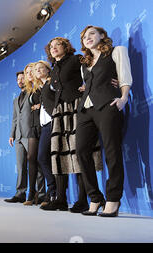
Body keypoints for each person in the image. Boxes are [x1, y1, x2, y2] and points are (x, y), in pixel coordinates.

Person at [41, 37, 102, 212]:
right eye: (50, 46)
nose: (53, 48)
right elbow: (50, 94)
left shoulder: (76, 59)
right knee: (59, 155)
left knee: (78, 153)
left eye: (57, 45)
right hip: (60, 113)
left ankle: (83, 200)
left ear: (66, 47)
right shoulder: (53, 69)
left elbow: (92, 70)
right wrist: (54, 109)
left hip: (76, 108)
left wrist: (87, 86)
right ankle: (60, 199)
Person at [77, 26, 132, 217]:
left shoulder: (117, 51)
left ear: (102, 36)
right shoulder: (85, 62)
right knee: (81, 152)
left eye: (92, 33)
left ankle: (113, 198)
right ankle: (95, 197)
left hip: (108, 105)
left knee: (111, 151)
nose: (88, 37)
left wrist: (123, 98)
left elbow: (124, 76)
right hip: (85, 110)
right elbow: (90, 83)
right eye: (84, 36)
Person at [33, 60, 56, 208]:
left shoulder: (51, 83)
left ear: (48, 70)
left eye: (42, 68)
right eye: (36, 69)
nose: (39, 70)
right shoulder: (42, 87)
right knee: (43, 158)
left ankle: (53, 191)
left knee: (43, 157)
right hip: (45, 127)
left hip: (53, 124)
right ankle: (53, 190)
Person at [4, 71, 30, 203]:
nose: (20, 81)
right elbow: (15, 119)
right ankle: (20, 193)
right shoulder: (15, 100)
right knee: (21, 166)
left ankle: (39, 194)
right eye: (18, 79)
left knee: (35, 166)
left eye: (22, 78)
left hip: (30, 134)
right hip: (19, 137)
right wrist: (11, 135)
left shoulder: (33, 93)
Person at [23, 63, 46, 205]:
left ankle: (44, 194)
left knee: (42, 159)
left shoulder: (41, 86)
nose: (29, 73)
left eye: (31, 71)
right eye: (27, 72)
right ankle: (31, 194)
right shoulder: (30, 90)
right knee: (31, 158)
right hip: (33, 127)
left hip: (43, 125)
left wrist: (41, 105)